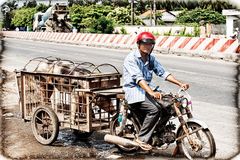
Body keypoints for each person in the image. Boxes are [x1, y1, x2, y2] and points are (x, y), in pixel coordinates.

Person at [123, 31, 189, 150]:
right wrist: (151, 93)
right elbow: (139, 79)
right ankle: (141, 139)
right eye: (145, 43)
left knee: (170, 104)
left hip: (148, 89)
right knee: (154, 109)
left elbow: (163, 72)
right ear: (139, 44)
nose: (148, 46)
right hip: (134, 90)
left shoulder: (150, 58)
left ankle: (158, 130)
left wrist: (180, 83)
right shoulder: (131, 59)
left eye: (150, 44)